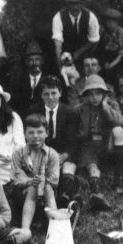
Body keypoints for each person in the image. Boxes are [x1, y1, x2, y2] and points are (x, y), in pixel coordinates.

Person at [26, 75, 80, 208]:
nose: (50, 98)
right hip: (42, 150)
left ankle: (65, 195)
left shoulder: (69, 112)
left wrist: (65, 155)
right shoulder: (34, 110)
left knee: (68, 167)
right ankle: (42, 201)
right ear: (41, 95)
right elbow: (31, 136)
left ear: (60, 93)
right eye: (46, 94)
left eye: (54, 93)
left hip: (62, 151)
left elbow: (73, 139)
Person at [74, 74, 123, 211]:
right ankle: (96, 194)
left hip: (106, 142)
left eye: (98, 94)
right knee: (92, 167)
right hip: (89, 143)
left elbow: (119, 121)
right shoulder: (80, 108)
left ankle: (118, 178)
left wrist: (105, 106)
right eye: (91, 94)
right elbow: (76, 131)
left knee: (118, 130)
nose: (94, 98)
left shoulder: (111, 104)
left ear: (104, 94)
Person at [10, 114, 60, 244]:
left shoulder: (52, 154)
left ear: (47, 133)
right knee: (32, 188)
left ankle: (55, 228)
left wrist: (42, 182)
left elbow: (54, 179)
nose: (35, 136)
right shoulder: (18, 153)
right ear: (25, 134)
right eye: (31, 132)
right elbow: (17, 178)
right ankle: (25, 229)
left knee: (48, 188)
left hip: (46, 194)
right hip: (23, 194)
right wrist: (31, 182)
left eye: (39, 132)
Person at [52, 0, 100, 71]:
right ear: (67, 4)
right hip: (65, 53)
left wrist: (78, 53)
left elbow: (93, 40)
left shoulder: (91, 17)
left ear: (82, 4)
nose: (74, 7)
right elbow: (58, 45)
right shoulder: (58, 17)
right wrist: (60, 66)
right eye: (71, 3)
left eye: (77, 3)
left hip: (85, 52)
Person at [9, 41, 50, 118]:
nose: (34, 63)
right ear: (26, 62)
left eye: (37, 59)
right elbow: (13, 104)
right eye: (31, 60)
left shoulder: (48, 80)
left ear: (42, 62)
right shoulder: (18, 81)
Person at [98, 8, 123, 85]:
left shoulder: (120, 32)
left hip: (116, 61)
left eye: (113, 21)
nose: (109, 24)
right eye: (107, 21)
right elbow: (100, 49)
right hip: (104, 60)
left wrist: (111, 65)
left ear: (117, 22)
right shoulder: (103, 32)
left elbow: (121, 53)